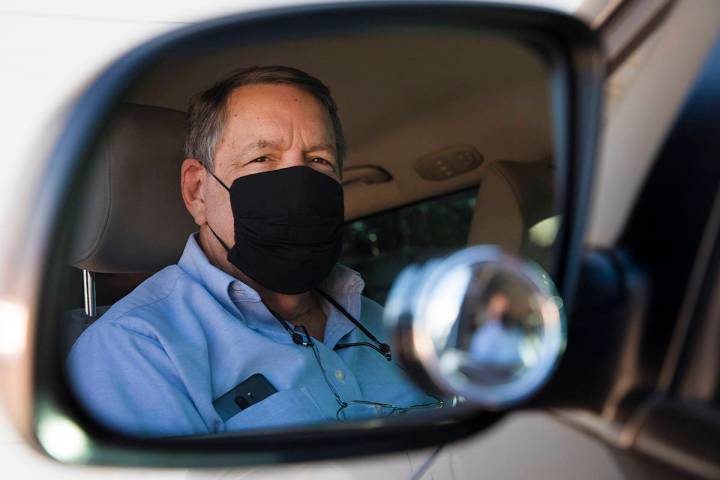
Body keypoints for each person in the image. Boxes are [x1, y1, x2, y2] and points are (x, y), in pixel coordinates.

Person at [67, 66, 440, 438]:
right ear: (198, 190)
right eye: (261, 159)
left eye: (318, 161)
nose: (298, 186)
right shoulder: (135, 349)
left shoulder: (378, 321)